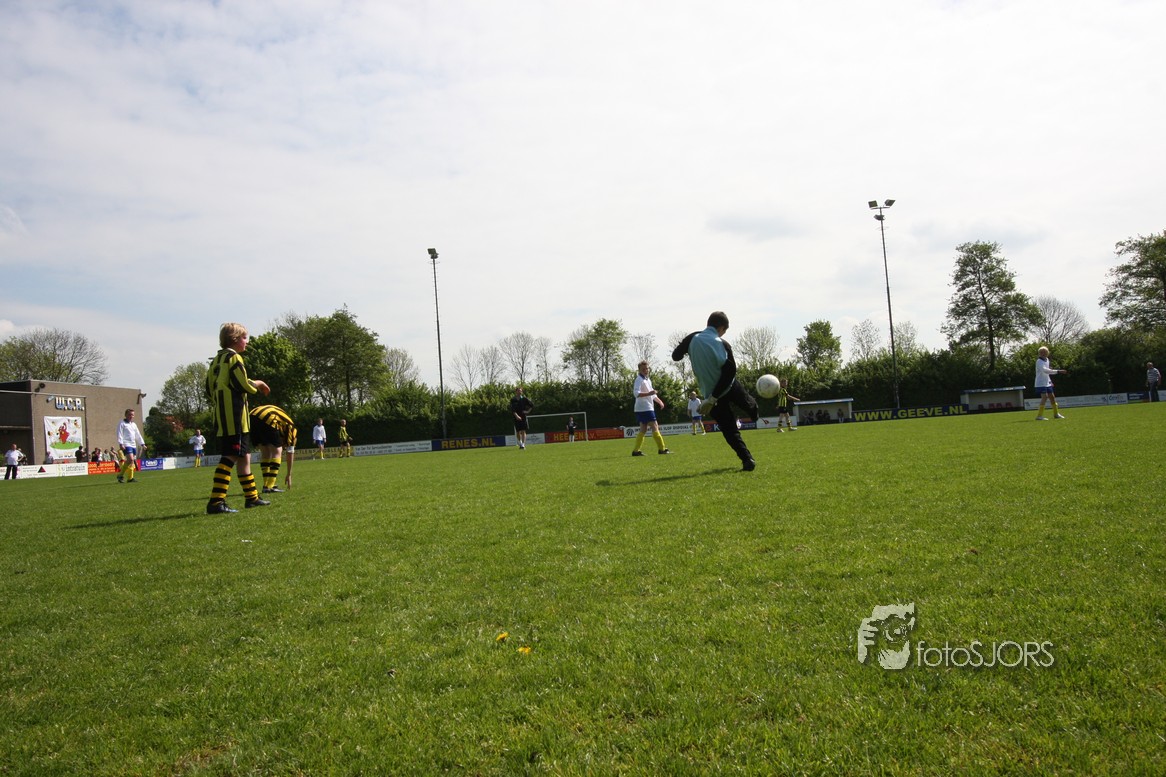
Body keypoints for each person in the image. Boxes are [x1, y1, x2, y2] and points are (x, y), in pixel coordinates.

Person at [672, 311, 758, 471]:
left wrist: (712, 398)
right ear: (721, 328)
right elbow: (730, 372)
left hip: (710, 394)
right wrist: (713, 398)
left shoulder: (692, 339)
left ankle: (747, 459)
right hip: (729, 387)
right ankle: (754, 413)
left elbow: (675, 356)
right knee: (749, 405)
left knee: (730, 430)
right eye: (724, 331)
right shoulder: (723, 344)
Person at [205, 322, 271, 514]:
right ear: (234, 339)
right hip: (234, 416)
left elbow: (208, 388)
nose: (247, 341)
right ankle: (216, 502)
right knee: (231, 455)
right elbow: (242, 384)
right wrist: (258, 384)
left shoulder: (216, 360)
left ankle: (252, 498)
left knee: (244, 456)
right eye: (244, 337)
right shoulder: (233, 358)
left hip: (224, 416)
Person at [250, 404, 297, 493]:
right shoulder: (292, 429)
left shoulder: (281, 426)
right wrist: (289, 474)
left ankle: (266, 485)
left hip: (252, 416)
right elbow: (290, 452)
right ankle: (270, 486)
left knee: (265, 451)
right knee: (278, 450)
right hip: (267, 416)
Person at [631, 361, 670, 456]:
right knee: (655, 425)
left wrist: (659, 401)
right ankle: (662, 449)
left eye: (647, 368)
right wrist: (649, 393)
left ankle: (636, 451)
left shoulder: (647, 380)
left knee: (643, 429)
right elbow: (636, 393)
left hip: (642, 408)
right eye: (643, 369)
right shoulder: (639, 379)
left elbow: (652, 395)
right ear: (639, 370)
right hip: (645, 407)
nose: (646, 370)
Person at [1034, 346, 1067, 420]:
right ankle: (1039, 416)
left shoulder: (1047, 360)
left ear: (1047, 353)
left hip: (1047, 382)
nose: (1043, 354)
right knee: (1045, 397)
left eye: (1045, 352)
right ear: (1039, 353)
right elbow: (1045, 370)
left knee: (1052, 397)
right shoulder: (1039, 361)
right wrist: (1058, 371)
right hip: (1041, 382)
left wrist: (1050, 381)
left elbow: (1048, 372)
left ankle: (1056, 414)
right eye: (1041, 352)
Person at [115, 408, 146, 483]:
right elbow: (119, 433)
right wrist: (121, 443)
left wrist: (142, 444)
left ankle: (130, 478)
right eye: (129, 414)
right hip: (126, 444)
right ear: (125, 415)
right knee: (131, 459)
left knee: (132, 462)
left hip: (133, 444)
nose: (131, 416)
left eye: (132, 415)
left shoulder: (134, 424)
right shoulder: (122, 423)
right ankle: (120, 475)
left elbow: (137, 435)